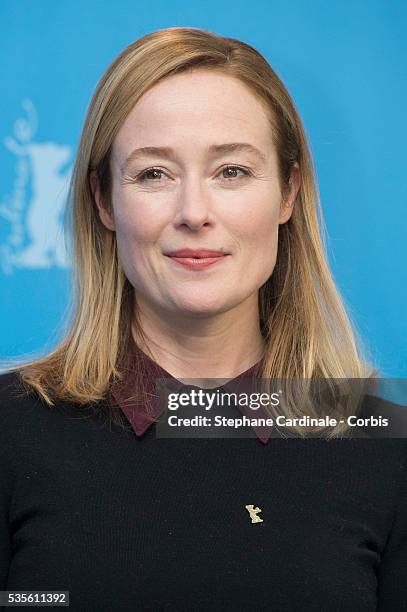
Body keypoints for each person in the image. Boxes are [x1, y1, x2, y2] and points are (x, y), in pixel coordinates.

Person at [0, 26, 406, 611]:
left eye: (232, 172)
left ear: (288, 194)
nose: (194, 212)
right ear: (105, 201)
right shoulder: (11, 432)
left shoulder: (387, 448)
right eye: (153, 174)